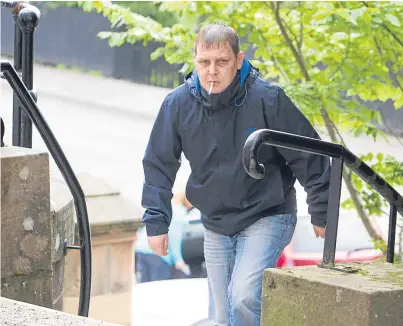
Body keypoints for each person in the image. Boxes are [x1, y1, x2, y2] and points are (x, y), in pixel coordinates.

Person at [141, 23, 329, 326]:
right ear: (195, 61)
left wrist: (321, 210)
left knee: (243, 296)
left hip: (267, 214)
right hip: (216, 221)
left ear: (239, 60)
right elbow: (158, 163)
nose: (212, 70)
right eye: (204, 62)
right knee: (220, 316)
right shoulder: (178, 104)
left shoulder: (268, 99)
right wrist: (156, 221)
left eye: (221, 61)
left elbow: (310, 154)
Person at [135, 193, 191, 283]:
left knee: (144, 286)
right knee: (159, 288)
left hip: (142, 248)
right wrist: (178, 260)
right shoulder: (179, 212)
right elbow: (173, 237)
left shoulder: (163, 206)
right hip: (158, 253)